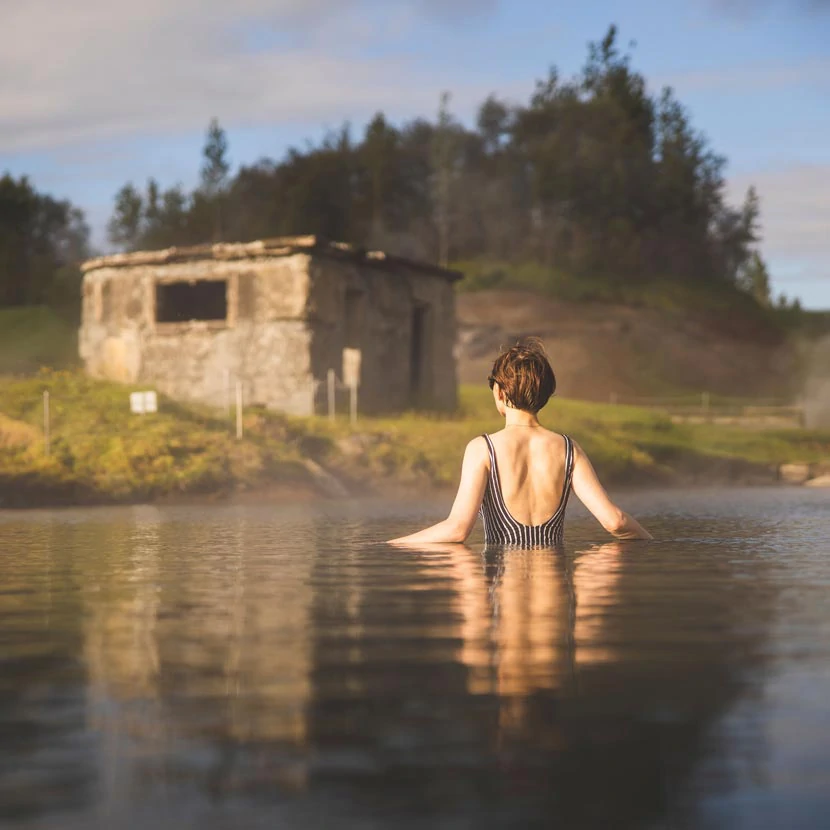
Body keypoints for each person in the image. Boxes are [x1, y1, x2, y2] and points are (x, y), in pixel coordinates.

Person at [389, 338, 652, 546]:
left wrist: (390, 544)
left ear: (499, 391)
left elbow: (457, 529)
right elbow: (615, 522)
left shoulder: (482, 449)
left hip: (504, 600)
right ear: (546, 394)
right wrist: (654, 543)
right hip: (553, 605)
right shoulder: (569, 449)